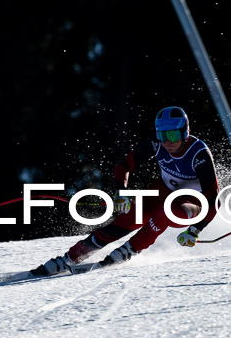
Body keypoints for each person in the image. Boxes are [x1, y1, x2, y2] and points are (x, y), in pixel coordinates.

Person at [32, 106, 220, 276]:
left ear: (185, 133)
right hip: (163, 190)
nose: (167, 142)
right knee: (127, 220)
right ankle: (68, 259)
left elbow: (213, 199)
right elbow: (125, 165)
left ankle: (127, 251)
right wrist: (121, 191)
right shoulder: (156, 143)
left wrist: (195, 230)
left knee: (168, 211)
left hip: (192, 203)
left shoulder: (199, 153)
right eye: (162, 135)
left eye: (172, 136)